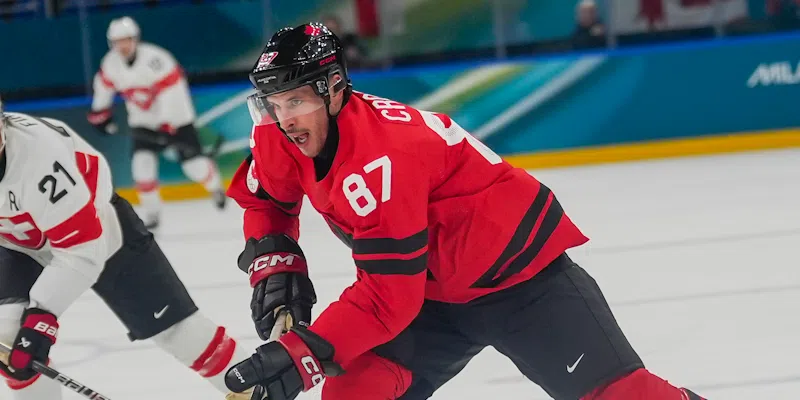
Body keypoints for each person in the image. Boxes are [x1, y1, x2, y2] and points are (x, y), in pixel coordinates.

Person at [223, 22, 707, 400]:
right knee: (355, 391)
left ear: (333, 88)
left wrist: (302, 352)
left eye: (295, 100)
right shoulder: (280, 133)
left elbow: (387, 299)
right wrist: (278, 265)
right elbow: (266, 199)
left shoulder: (382, 157)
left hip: (518, 284)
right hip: (430, 294)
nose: (284, 119)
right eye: (273, 103)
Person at [0, 99, 251, 399]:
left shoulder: (39, 158)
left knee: (179, 333)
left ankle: (256, 390)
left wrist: (42, 316)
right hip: (14, 241)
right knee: (8, 340)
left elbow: (81, 250)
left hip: (101, 231)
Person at [87, 16, 226, 230]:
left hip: (177, 121)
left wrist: (168, 123)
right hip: (142, 122)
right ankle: (152, 213)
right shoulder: (110, 64)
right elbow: (103, 87)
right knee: (141, 166)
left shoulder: (157, 59)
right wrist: (100, 113)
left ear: (135, 39)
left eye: (126, 40)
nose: (123, 46)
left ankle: (215, 186)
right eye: (118, 42)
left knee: (194, 167)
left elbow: (174, 91)